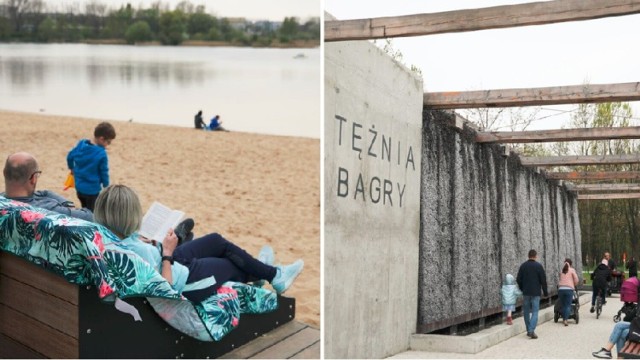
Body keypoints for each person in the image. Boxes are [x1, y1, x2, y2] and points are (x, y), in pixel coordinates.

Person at [93, 184, 304, 302]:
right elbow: (164, 290)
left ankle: (264, 270)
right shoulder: (138, 251)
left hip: (166, 261)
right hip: (184, 281)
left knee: (215, 240)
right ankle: (271, 274)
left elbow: (138, 255)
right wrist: (166, 252)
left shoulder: (105, 237)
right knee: (228, 263)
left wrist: (143, 241)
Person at [2, 152, 93, 221]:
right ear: (33, 178)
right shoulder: (49, 209)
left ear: (4, 173)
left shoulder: (2, 202)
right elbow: (90, 216)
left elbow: (45, 192)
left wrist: (66, 204)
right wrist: (69, 209)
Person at [66, 122, 116, 211]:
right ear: (101, 139)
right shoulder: (101, 153)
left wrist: (72, 168)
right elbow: (104, 172)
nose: (108, 144)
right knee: (92, 212)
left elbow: (70, 156)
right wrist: (106, 186)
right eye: (108, 142)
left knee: (84, 208)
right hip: (92, 191)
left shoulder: (81, 144)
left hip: (79, 187)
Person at [516, 249, 548, 339]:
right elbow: (543, 280)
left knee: (526, 312)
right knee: (535, 312)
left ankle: (528, 330)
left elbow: (518, 279)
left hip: (526, 292)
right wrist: (545, 292)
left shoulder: (523, 266)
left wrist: (522, 288)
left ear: (528, 255)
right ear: (535, 256)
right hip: (535, 293)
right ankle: (531, 330)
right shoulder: (539, 266)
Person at [558, 258, 579, 326]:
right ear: (571, 264)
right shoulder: (572, 270)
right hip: (569, 289)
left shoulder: (561, 270)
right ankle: (565, 320)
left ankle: (563, 317)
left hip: (561, 289)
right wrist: (574, 284)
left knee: (563, 305)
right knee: (568, 305)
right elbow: (576, 280)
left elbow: (560, 279)